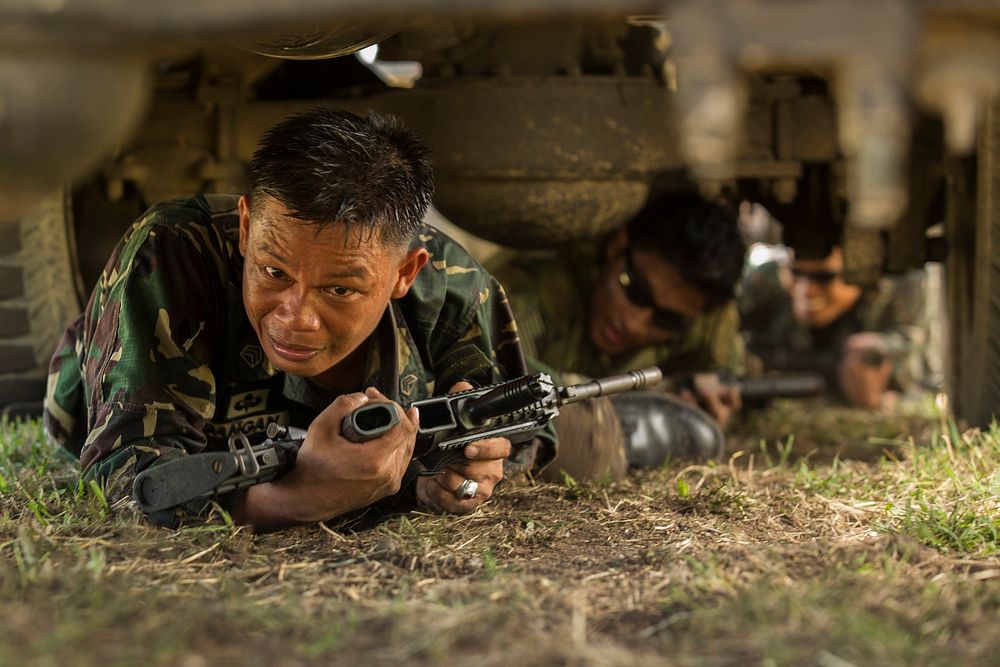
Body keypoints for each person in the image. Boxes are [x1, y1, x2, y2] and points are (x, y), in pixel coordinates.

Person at [43, 107, 551, 531]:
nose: (295, 317)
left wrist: (459, 469)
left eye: (339, 289)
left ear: (404, 272)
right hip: (139, 414)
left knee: (583, 421)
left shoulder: (451, 285)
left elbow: (519, 422)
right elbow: (128, 484)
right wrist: (301, 500)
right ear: (245, 229)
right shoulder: (172, 254)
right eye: (273, 271)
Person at [489, 192, 747, 482]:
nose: (635, 324)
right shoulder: (525, 295)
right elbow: (488, 380)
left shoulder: (699, 316)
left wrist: (709, 389)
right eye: (634, 290)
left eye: (666, 319)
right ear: (617, 245)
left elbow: (725, 369)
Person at [740, 245, 937, 409]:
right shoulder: (766, 282)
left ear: (860, 273)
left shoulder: (899, 285)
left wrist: (884, 396)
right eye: (796, 273)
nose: (807, 290)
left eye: (824, 278)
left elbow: (918, 374)